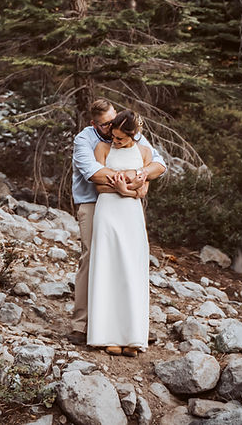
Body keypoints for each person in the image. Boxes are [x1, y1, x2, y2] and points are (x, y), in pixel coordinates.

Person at [70, 99, 166, 344]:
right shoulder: (85, 140)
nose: (111, 128)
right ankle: (82, 325)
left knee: (128, 261)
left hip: (126, 207)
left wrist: (140, 178)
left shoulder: (125, 130)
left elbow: (158, 163)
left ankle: (129, 325)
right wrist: (132, 180)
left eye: (113, 121)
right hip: (93, 205)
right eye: (105, 125)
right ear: (94, 124)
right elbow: (93, 173)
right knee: (92, 258)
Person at [86, 109, 155, 356]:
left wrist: (127, 190)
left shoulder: (145, 152)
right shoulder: (103, 150)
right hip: (108, 212)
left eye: (121, 139)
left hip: (131, 212)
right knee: (107, 267)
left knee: (131, 269)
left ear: (134, 135)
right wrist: (129, 183)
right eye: (113, 136)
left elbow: (143, 188)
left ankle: (132, 336)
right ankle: (106, 335)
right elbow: (98, 183)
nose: (115, 142)